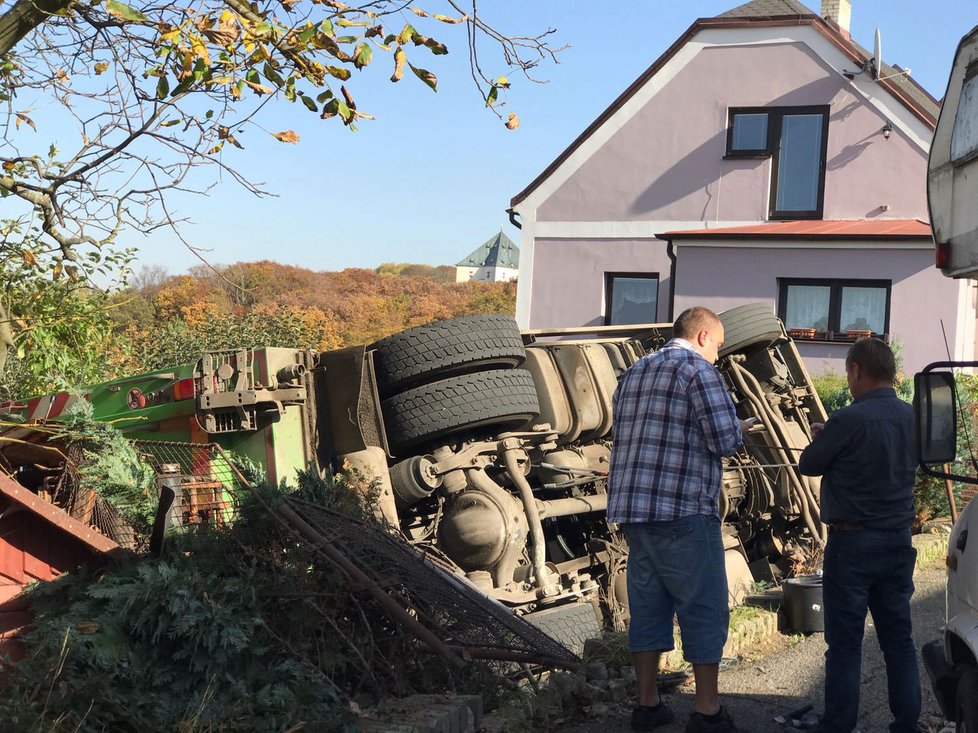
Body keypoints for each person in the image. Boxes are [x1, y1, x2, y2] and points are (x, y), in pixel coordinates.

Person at [608, 306, 746, 733]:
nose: (718, 356)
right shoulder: (699, 372)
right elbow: (724, 439)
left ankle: (646, 706)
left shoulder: (633, 372)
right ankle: (706, 711)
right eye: (719, 346)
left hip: (634, 512)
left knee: (648, 608)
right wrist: (743, 427)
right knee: (703, 606)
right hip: (683, 509)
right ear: (703, 336)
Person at [798, 337, 921, 733]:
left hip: (853, 545)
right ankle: (907, 724)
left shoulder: (849, 419)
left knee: (846, 644)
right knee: (898, 639)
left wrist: (824, 435)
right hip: (898, 540)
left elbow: (809, 465)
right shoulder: (911, 417)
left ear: (855, 371)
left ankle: (838, 725)